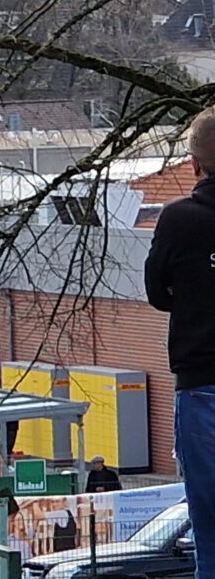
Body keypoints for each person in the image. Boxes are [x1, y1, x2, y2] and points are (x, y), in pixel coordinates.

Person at [146, 106, 215, 579]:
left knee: (207, 520)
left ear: (194, 164)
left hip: (202, 386)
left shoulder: (178, 219)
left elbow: (156, 292)